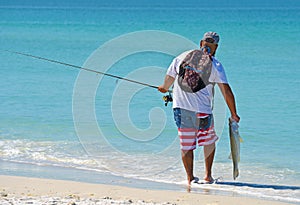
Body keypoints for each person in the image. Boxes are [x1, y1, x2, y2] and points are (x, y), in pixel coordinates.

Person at [158, 31, 240, 185]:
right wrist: (234, 114)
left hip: (181, 109)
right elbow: (226, 91)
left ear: (201, 43)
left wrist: (163, 88)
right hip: (203, 111)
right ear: (215, 47)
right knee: (208, 142)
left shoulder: (182, 57)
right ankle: (208, 176)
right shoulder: (215, 65)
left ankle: (190, 178)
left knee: (186, 144)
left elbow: (168, 80)